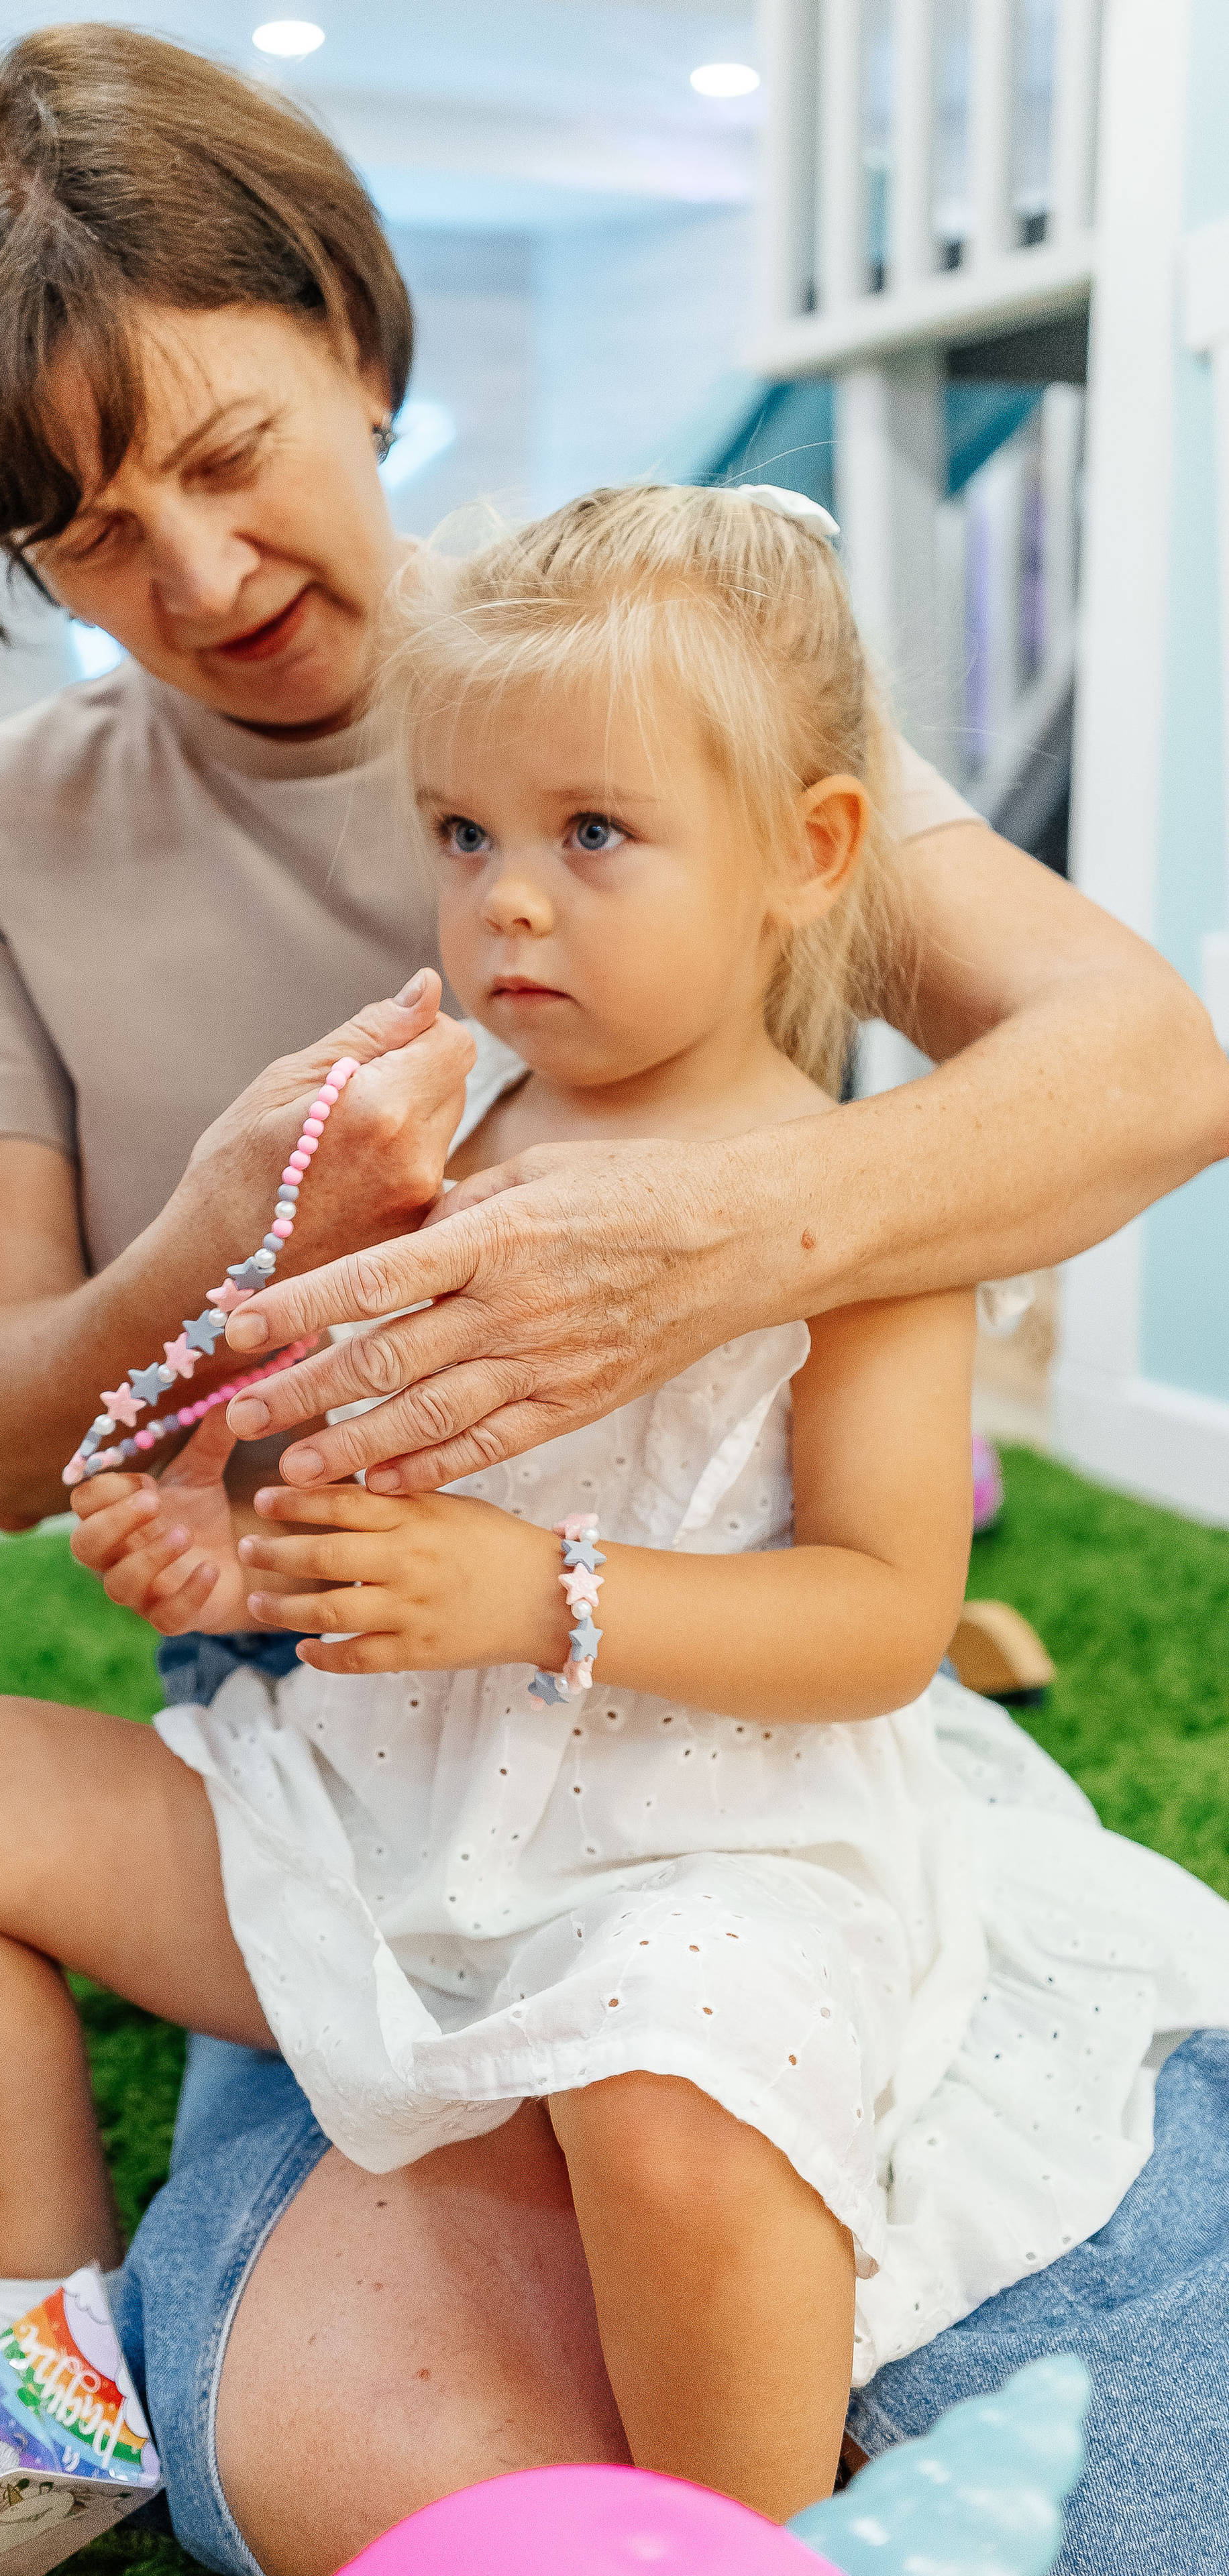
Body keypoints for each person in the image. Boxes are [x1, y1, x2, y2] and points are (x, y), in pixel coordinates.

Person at [0, 23, 1229, 2576]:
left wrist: (732, 1257)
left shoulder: (645, 675)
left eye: (229, 458)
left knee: (861, 2241)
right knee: (340, 2445)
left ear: (355, 332)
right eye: (91, 538)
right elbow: (5, 1428)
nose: (201, 580)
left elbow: (1143, 1063)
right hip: (354, 1714)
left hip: (675, 1708)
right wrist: (221, 1282)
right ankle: (65, 2362)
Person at [63, 480, 1229, 2523]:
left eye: (589, 835)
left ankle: (729, 2536)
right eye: (465, 838)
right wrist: (227, 1520)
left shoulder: (860, 1214)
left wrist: (535, 1589)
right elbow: (327, 1456)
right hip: (406, 1796)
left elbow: (877, 1621)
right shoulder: (436, 1138)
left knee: (670, 2079)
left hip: (716, 1825)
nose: (509, 901)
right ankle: (41, 2325)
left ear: (811, 853)